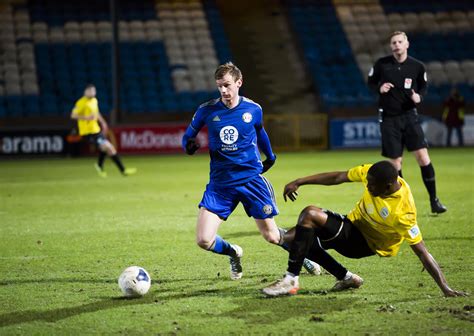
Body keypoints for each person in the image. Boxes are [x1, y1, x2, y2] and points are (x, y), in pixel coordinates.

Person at [182, 62, 319, 280]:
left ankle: (302, 255)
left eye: (227, 85)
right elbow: (187, 136)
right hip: (220, 185)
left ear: (239, 82)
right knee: (204, 240)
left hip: (250, 181)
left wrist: (271, 156)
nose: (224, 91)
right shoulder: (206, 110)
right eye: (219, 86)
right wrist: (187, 146)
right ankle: (234, 252)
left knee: (272, 236)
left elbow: (260, 132)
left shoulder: (253, 109)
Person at [262, 161, 467, 298]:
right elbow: (338, 177)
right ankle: (347, 278)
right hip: (351, 225)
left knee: (309, 214)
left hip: (363, 243)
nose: (367, 186)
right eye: (367, 182)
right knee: (296, 240)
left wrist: (446, 288)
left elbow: (422, 251)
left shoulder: (402, 213)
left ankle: (291, 279)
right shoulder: (375, 173)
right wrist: (300, 181)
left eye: (371, 185)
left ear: (387, 187)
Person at [367, 31, 446, 214]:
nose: (396, 45)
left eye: (399, 41)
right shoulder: (382, 64)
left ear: (406, 44)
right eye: (393, 42)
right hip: (389, 119)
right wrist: (379, 87)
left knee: (423, 157)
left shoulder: (417, 66)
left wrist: (419, 96)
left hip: (410, 116)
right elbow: (370, 82)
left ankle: (434, 200)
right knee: (396, 164)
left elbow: (424, 86)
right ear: (391, 46)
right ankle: (402, 204)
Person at [71, 84, 136, 177]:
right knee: (108, 147)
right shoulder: (81, 102)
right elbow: (73, 115)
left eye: (94, 91)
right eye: (90, 91)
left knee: (109, 149)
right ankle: (120, 170)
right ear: (85, 92)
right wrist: (86, 117)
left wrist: (103, 122)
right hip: (87, 133)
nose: (93, 93)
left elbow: (96, 113)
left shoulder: (94, 101)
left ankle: (106, 167)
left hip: (96, 130)